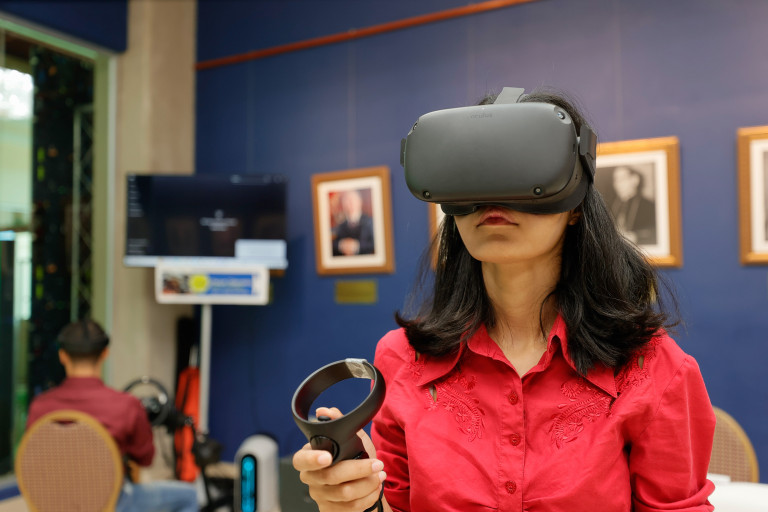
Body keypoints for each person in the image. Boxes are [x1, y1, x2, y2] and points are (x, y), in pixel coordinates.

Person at [293, 88, 716, 511]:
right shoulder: (402, 361)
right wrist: (357, 501)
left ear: (575, 204)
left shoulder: (650, 369)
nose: (493, 197)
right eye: (472, 175)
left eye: (520, 170)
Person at [26, 319, 199, 512]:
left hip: (53, 505)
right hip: (111, 504)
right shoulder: (126, 405)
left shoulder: (39, 407)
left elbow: (32, 461)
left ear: (63, 356)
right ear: (105, 353)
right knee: (189, 496)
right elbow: (145, 458)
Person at [610, 165, 657, 245]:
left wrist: (637, 237)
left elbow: (655, 233)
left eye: (622, 179)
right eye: (615, 180)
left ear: (635, 180)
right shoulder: (611, 205)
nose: (617, 184)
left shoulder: (650, 206)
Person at [332, 189, 375, 256]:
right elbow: (333, 244)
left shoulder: (370, 222)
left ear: (359, 202)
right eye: (347, 201)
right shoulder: (341, 225)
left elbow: (375, 243)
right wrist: (342, 245)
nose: (350, 204)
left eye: (352, 200)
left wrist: (356, 246)